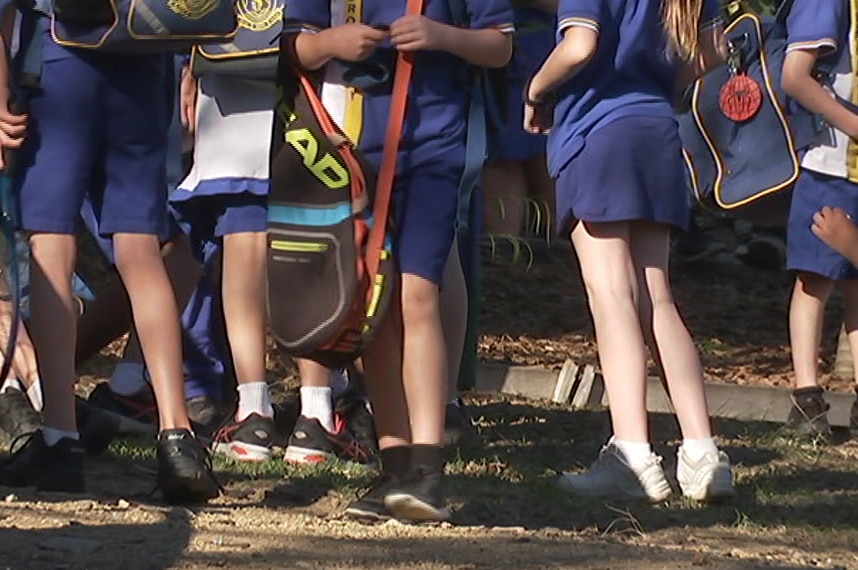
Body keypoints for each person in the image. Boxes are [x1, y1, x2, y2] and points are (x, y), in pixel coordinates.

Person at [285, 0, 513, 522]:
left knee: (416, 292)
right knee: (375, 307)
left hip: (432, 147)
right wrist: (328, 45)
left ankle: (428, 466)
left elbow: (500, 44)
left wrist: (441, 36)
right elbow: (291, 42)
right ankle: (394, 464)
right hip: (344, 153)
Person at [0, 9, 218, 503]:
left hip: (58, 62)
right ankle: (177, 437)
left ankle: (60, 438)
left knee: (50, 246)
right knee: (140, 250)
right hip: (143, 58)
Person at [524, 0, 735, 502]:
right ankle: (702, 451)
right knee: (656, 296)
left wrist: (536, 89)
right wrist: (656, 80)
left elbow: (580, 45)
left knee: (612, 296)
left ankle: (633, 455)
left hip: (595, 131)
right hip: (657, 128)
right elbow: (713, 50)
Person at [171, 52, 279, 461]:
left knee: (266, 233)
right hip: (243, 71)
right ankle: (306, 409)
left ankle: (269, 409)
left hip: (263, 77)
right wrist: (191, 62)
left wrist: (189, 62)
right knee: (303, 235)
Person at [781, 0, 858, 440]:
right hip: (829, 164)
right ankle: (807, 398)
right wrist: (851, 125)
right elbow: (796, 75)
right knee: (815, 281)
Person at [482, 0, 556, 238]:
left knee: (546, 156)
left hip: (540, 51)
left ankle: (563, 255)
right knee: (500, 157)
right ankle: (505, 255)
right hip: (491, 52)